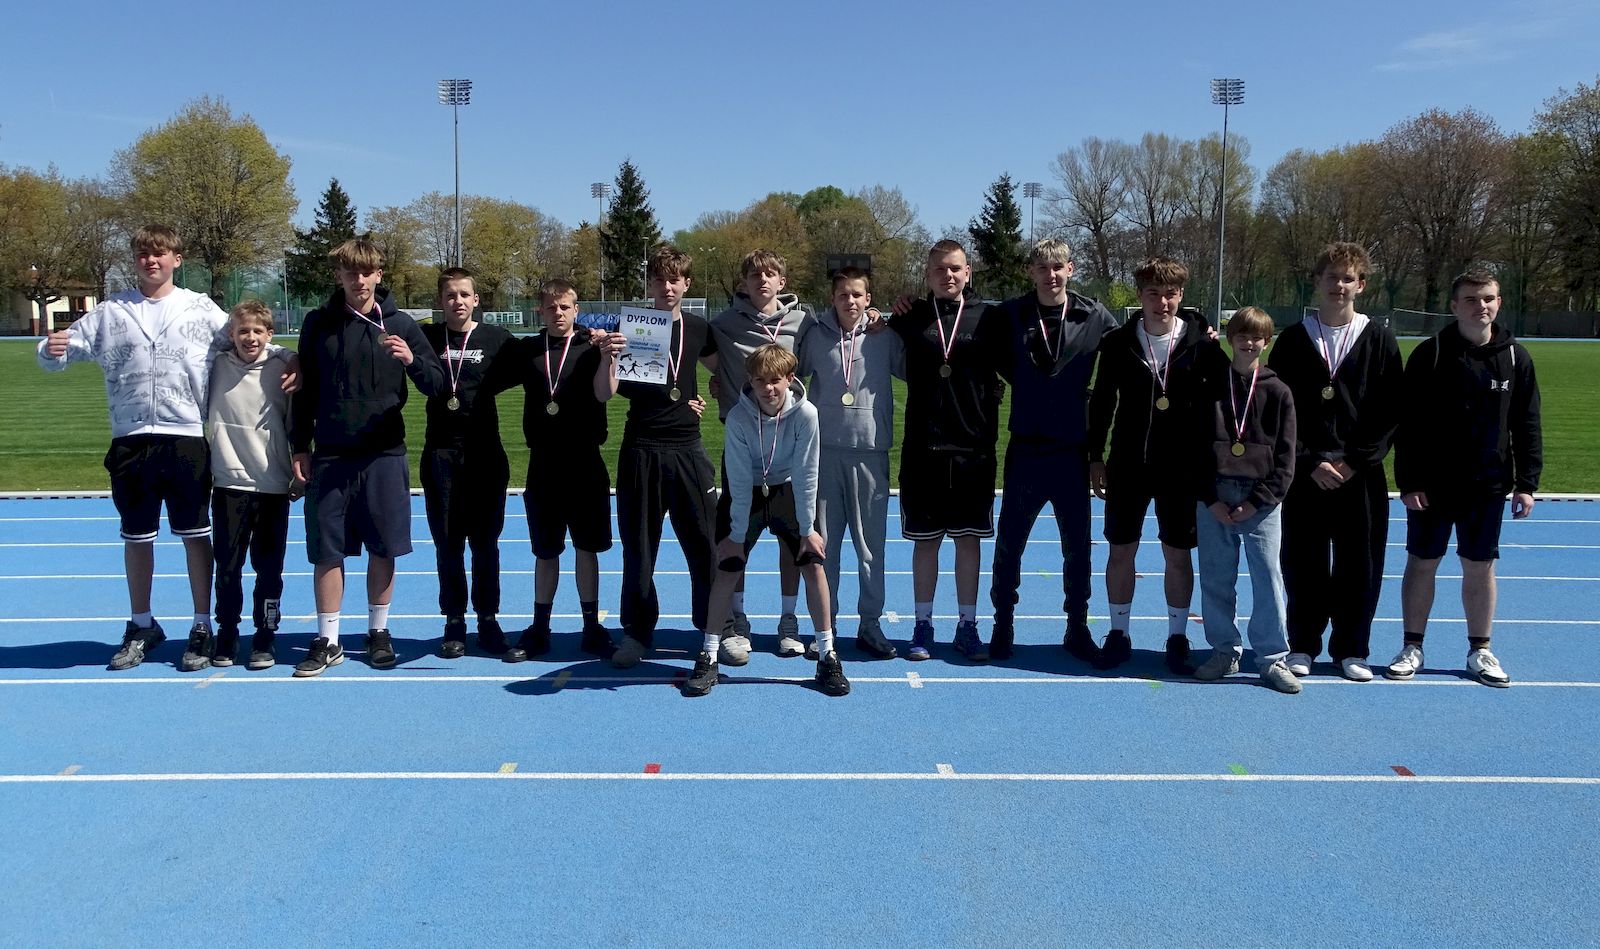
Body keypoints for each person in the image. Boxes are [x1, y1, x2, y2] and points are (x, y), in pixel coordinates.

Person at [37, 224, 295, 671]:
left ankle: (201, 625)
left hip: (187, 438)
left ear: (177, 258)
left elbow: (247, 338)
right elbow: (59, 354)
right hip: (131, 438)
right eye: (142, 254)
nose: (150, 261)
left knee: (195, 535)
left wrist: (289, 357)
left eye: (160, 254)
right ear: (135, 259)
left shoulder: (198, 308)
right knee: (137, 537)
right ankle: (142, 624)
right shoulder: (112, 311)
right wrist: (50, 348)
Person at [289, 238, 445, 676]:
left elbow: (437, 384)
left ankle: (378, 631)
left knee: (384, 547)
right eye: (349, 272)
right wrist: (300, 446)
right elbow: (303, 393)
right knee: (327, 551)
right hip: (331, 455)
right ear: (338, 275)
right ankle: (329, 639)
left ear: (379, 274)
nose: (358, 280)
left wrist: (412, 360)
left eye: (366, 272)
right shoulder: (318, 323)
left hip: (383, 453)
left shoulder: (401, 324)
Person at [1390, 271, 1542, 687]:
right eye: (1472, 299)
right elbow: (1409, 425)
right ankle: (1411, 646)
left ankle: (1480, 650)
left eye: (1489, 298)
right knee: (1422, 563)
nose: (1482, 306)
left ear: (1499, 302)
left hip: (1488, 484)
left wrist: (1527, 483)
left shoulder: (1516, 358)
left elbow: (1527, 424)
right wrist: (1409, 481)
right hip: (1433, 486)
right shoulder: (1431, 354)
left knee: (1480, 567)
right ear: (1454, 305)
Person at [1268, 242, 1403, 681]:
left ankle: (1351, 648)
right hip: (1306, 474)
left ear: (1361, 285)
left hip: (1358, 474)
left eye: (1348, 278)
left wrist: (1354, 461)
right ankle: (1303, 644)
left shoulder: (1378, 339)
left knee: (1359, 562)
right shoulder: (1292, 340)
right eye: (1332, 277)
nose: (1339, 285)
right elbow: (1278, 412)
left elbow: (1390, 411)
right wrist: (1309, 460)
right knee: (1303, 560)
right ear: (1317, 282)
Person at [983, 239, 1119, 664]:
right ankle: (1002, 623)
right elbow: (965, 329)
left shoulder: (1094, 315)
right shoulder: (1009, 314)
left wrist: (1192, 321)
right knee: (1010, 543)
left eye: (1058, 266)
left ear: (1071, 268)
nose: (1050, 274)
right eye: (1042, 267)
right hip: (1025, 448)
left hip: (1072, 451)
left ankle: (1077, 627)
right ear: (1031, 272)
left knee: (1078, 546)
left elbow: (1136, 343)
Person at [683, 345, 845, 697]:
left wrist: (807, 530)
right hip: (749, 492)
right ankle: (708, 656)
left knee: (813, 563)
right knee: (727, 564)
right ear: (750, 381)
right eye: (760, 381)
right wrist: (736, 535)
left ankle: (828, 655)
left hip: (788, 488)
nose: (768, 389)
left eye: (775, 381)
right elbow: (738, 480)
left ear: (789, 379)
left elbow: (806, 472)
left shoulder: (807, 415)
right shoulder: (739, 418)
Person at [1087, 257, 1214, 674]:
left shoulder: (1202, 343)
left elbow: (1221, 405)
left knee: (1178, 555)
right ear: (1140, 296)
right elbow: (1102, 402)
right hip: (1128, 464)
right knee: (1121, 550)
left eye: (1171, 294)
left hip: (1181, 469)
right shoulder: (1120, 343)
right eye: (1153, 294)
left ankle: (1178, 637)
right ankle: (1118, 633)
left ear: (1181, 295)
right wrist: (1095, 456)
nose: (1163, 302)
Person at [889, 240, 1004, 662]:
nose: (948, 276)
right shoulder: (911, 317)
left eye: (955, 269)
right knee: (926, 543)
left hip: (973, 450)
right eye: (939, 269)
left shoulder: (990, 318)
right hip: (923, 450)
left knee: (969, 541)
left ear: (968, 271)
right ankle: (923, 624)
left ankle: (968, 625)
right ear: (927, 274)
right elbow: (868, 329)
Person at [612, 246, 722, 668]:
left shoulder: (698, 327)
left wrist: (712, 393)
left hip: (687, 446)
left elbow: (720, 368)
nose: (667, 287)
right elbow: (618, 384)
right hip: (641, 445)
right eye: (659, 280)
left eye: (674, 279)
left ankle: (715, 628)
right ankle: (637, 633)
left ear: (686, 284)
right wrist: (611, 348)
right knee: (638, 548)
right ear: (651, 284)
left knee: (705, 544)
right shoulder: (636, 326)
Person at [506, 279, 626, 661]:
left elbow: (606, 393)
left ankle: (592, 626)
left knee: (587, 548)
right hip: (544, 463)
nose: (558, 313)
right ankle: (540, 627)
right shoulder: (527, 351)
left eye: (565, 307)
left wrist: (609, 356)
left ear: (576, 310)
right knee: (546, 550)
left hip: (585, 461)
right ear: (540, 311)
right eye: (550, 307)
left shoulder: (593, 347)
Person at [708, 250, 815, 661]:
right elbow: (688, 350)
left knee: (793, 544)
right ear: (744, 282)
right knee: (737, 540)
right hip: (744, 449)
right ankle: (737, 624)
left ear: (782, 282)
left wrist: (874, 315)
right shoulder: (722, 325)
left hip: (789, 449)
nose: (762, 281)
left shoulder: (804, 322)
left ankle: (789, 621)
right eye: (754, 275)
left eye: (770, 274)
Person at [1190, 307, 1301, 694]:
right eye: (1242, 335)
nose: (1249, 342)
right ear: (1229, 338)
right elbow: (1195, 450)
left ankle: (1271, 658)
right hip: (1216, 495)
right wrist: (1210, 498)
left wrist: (1258, 502)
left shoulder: (1278, 391)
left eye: (1257, 337)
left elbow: (1286, 459)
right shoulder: (1209, 387)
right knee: (1217, 578)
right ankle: (1224, 650)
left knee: (1267, 579)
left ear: (1266, 342)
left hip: (1261, 502)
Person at [796, 266, 904, 659]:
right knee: (827, 546)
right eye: (844, 295)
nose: (851, 301)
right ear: (833, 299)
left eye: (858, 295)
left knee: (871, 548)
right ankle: (827, 626)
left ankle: (870, 624)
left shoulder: (885, 336)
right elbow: (790, 375)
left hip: (871, 454)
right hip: (824, 455)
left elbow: (919, 371)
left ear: (868, 299)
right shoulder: (815, 335)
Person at [419, 268, 521, 658]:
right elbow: (384, 327)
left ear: (476, 299)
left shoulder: (497, 338)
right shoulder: (427, 338)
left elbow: (540, 361)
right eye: (449, 295)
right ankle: (454, 620)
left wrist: (586, 338)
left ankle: (488, 620)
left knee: (485, 544)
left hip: (485, 455)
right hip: (441, 455)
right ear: (441, 301)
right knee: (448, 543)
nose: (457, 301)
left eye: (464, 294)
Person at [206, 300, 300, 670]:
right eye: (242, 331)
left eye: (257, 331)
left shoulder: (283, 369)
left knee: (269, 570)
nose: (250, 338)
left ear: (269, 335)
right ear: (231, 333)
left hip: (273, 485)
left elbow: (295, 425)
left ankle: (265, 637)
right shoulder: (215, 365)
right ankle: (227, 633)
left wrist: (295, 471)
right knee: (227, 567)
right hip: (228, 483)